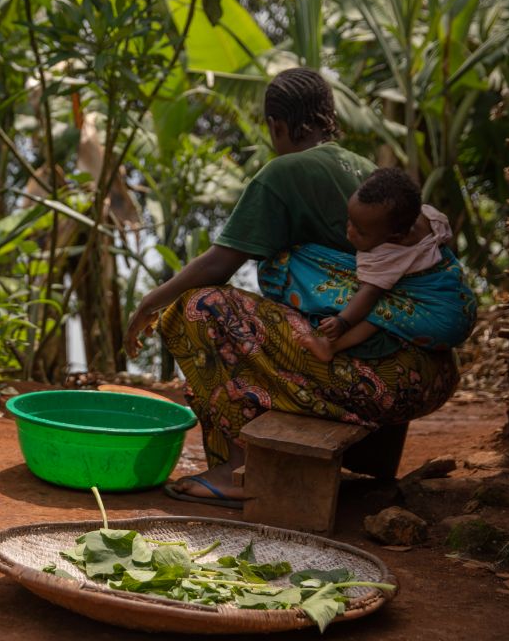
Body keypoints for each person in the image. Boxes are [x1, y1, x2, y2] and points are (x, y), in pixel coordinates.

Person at [124, 68, 475, 509]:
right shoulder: (371, 175)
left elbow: (220, 263)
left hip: (380, 375)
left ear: (277, 126)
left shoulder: (285, 171)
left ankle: (238, 471)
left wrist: (152, 301)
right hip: (427, 374)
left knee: (197, 309)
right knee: (342, 303)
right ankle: (368, 466)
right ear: (329, 117)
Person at [300, 167, 457, 362]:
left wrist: (343, 321)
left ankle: (331, 346)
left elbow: (368, 294)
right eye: (350, 220)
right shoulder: (428, 216)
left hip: (442, 324)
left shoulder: (385, 257)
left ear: (395, 236)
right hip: (459, 301)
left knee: (380, 307)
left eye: (361, 231)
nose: (349, 231)